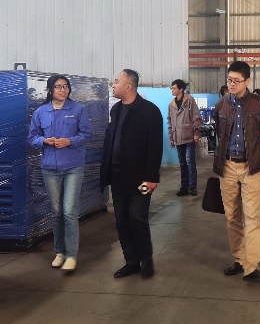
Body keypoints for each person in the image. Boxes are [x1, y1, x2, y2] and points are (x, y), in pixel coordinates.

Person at [100, 69, 163, 280]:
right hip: (117, 176)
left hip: (141, 179)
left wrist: (152, 178)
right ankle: (131, 261)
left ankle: (146, 260)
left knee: (137, 217)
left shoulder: (149, 111)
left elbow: (155, 147)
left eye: (117, 81)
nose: (113, 85)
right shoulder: (116, 110)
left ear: (128, 86)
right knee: (122, 220)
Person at [28, 75, 93, 272]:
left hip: (73, 166)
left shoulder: (77, 110)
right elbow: (32, 137)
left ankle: (71, 255)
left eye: (66, 86)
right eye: (58, 87)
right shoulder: (41, 112)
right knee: (56, 212)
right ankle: (59, 252)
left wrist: (69, 141)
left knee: (69, 211)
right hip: (50, 168)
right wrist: (44, 141)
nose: (63, 90)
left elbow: (87, 134)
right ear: (51, 90)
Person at [214, 61, 260, 282]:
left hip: (250, 167)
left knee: (252, 217)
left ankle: (252, 266)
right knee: (232, 217)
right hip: (227, 166)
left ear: (247, 81)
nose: (232, 84)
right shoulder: (221, 105)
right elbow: (219, 134)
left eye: (236, 81)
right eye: (229, 80)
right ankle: (239, 259)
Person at [168, 79, 202, 196]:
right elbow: (170, 122)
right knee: (182, 164)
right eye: (171, 88)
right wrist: (171, 137)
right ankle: (184, 187)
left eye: (174, 88)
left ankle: (192, 187)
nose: (172, 90)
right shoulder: (171, 105)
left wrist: (196, 133)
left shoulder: (190, 101)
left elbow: (196, 117)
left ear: (181, 89)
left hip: (189, 137)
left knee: (189, 162)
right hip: (178, 138)